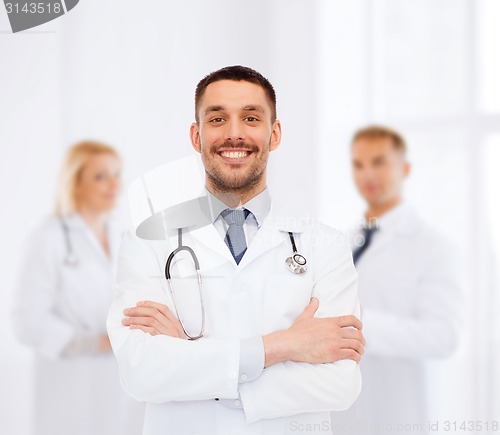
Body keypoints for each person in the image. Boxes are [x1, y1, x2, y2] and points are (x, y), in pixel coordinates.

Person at [107, 65, 366, 435]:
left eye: (250, 117)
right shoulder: (148, 238)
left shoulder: (325, 245)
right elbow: (141, 372)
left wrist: (194, 359)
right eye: (217, 119)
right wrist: (285, 345)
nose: (234, 134)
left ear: (274, 134)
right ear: (196, 136)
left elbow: (340, 384)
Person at [331, 126, 463, 434]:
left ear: (404, 169)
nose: (367, 175)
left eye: (379, 162)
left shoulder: (433, 246)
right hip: (342, 414)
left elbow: (444, 336)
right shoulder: (343, 242)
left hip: (398, 415)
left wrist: (357, 325)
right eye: (358, 164)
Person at [12, 141, 144, 435]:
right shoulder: (47, 236)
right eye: (100, 176)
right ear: (75, 183)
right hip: (69, 383)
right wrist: (91, 342)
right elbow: (25, 320)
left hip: (118, 383)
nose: (114, 184)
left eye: (117, 174)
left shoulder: (123, 235)